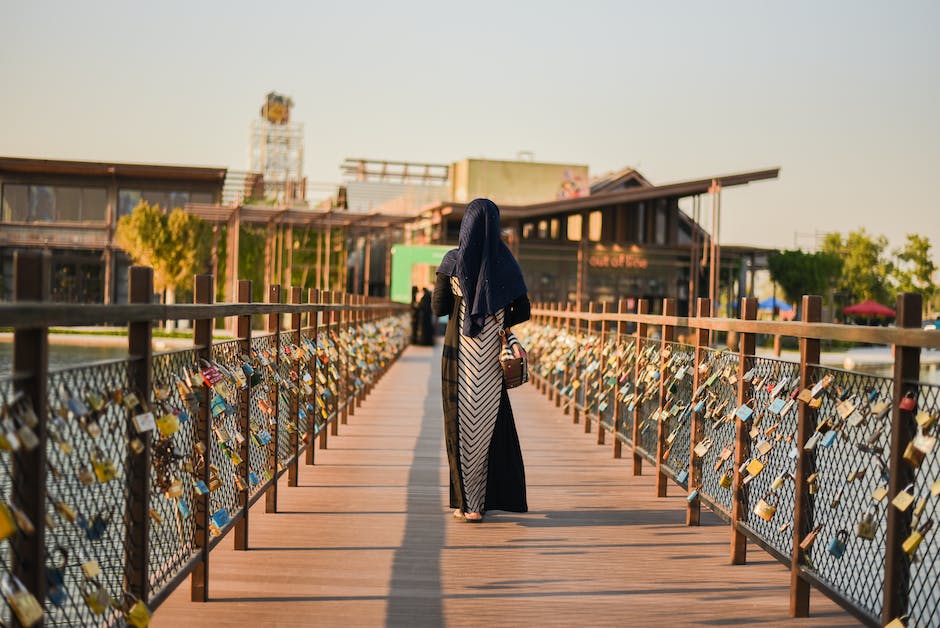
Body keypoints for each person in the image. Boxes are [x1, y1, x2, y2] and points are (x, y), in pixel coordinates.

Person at [432, 198, 530, 523]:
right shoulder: (507, 265)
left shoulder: (452, 262)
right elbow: (524, 310)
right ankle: (478, 505)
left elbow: (438, 308)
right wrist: (499, 315)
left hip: (459, 360)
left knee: (460, 426)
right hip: (491, 363)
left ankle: (466, 504)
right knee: (486, 428)